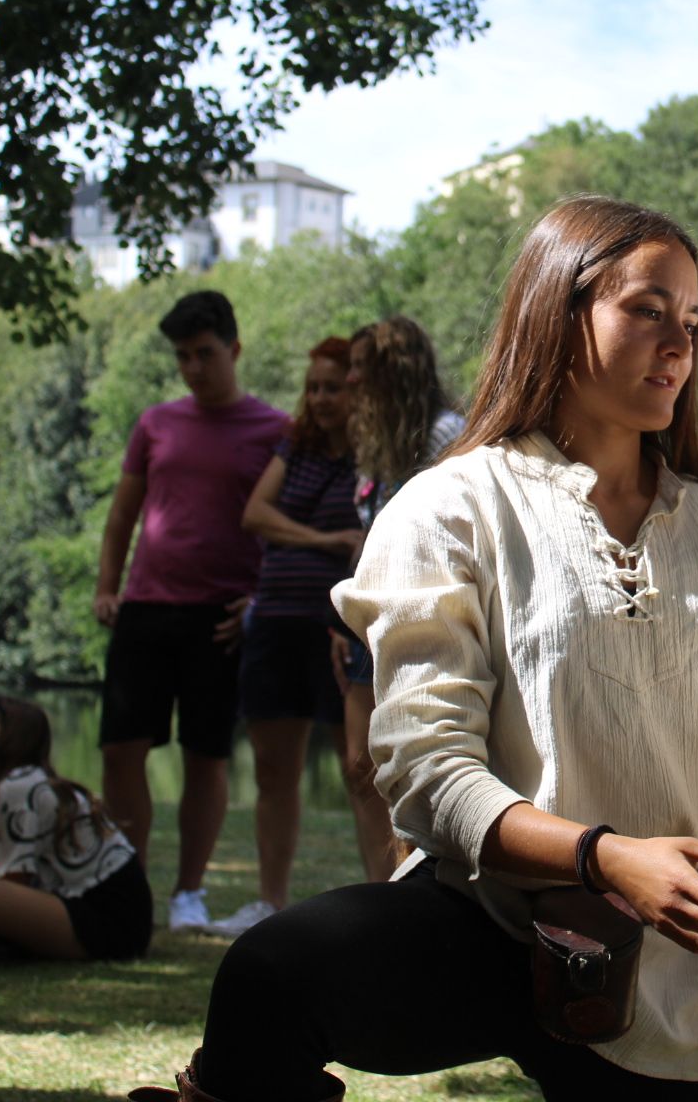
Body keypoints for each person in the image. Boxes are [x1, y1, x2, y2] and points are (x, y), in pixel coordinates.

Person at [130, 195, 698, 1102]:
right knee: (272, 974)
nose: (678, 342)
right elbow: (423, 771)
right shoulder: (450, 508)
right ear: (558, 317)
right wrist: (603, 858)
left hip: (657, 978)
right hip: (485, 918)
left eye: (690, 319)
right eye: (647, 310)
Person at [93, 291, 289, 932]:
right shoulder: (155, 423)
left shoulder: (276, 430)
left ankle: (187, 894)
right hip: (146, 607)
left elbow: (291, 525)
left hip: (222, 617)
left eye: (205, 354)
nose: (193, 368)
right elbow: (123, 514)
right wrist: (106, 586)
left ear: (233, 349)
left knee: (206, 757)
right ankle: (126, 881)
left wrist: (260, 602)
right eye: (182, 357)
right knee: (121, 750)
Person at [203, 338, 362, 938]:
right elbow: (255, 514)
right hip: (273, 621)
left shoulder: (374, 458)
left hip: (337, 630)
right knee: (274, 769)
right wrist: (327, 540)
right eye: (314, 387)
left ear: (358, 389)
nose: (320, 399)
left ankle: (379, 905)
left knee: (359, 769)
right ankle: (270, 904)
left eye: (333, 387)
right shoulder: (296, 446)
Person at [325, 316, 465, 883]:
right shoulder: (381, 443)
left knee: (403, 766)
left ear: (393, 371)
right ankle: (379, 892)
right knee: (359, 767)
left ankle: (410, 893)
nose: (351, 381)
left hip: (424, 615)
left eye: (361, 368)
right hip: (374, 613)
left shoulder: (445, 435)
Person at [0, 696, 153, 961]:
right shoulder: (24, 781)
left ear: (11, 737)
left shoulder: (17, 786)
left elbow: (10, 888)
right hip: (113, 920)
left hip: (107, 923)